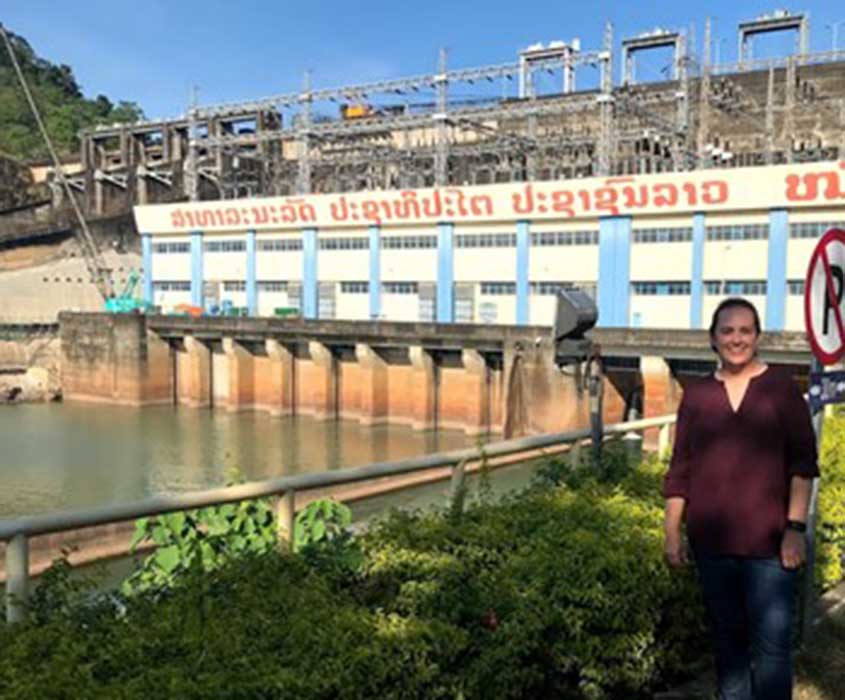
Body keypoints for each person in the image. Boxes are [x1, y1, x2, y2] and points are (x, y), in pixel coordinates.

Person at [663, 297, 819, 700]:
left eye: (745, 331)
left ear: (757, 337)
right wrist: (671, 534)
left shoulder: (781, 389)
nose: (737, 339)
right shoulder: (697, 396)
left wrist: (794, 529)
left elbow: (803, 465)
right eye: (728, 331)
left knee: (772, 651)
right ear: (713, 339)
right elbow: (681, 468)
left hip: (770, 548)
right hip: (712, 547)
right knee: (728, 650)